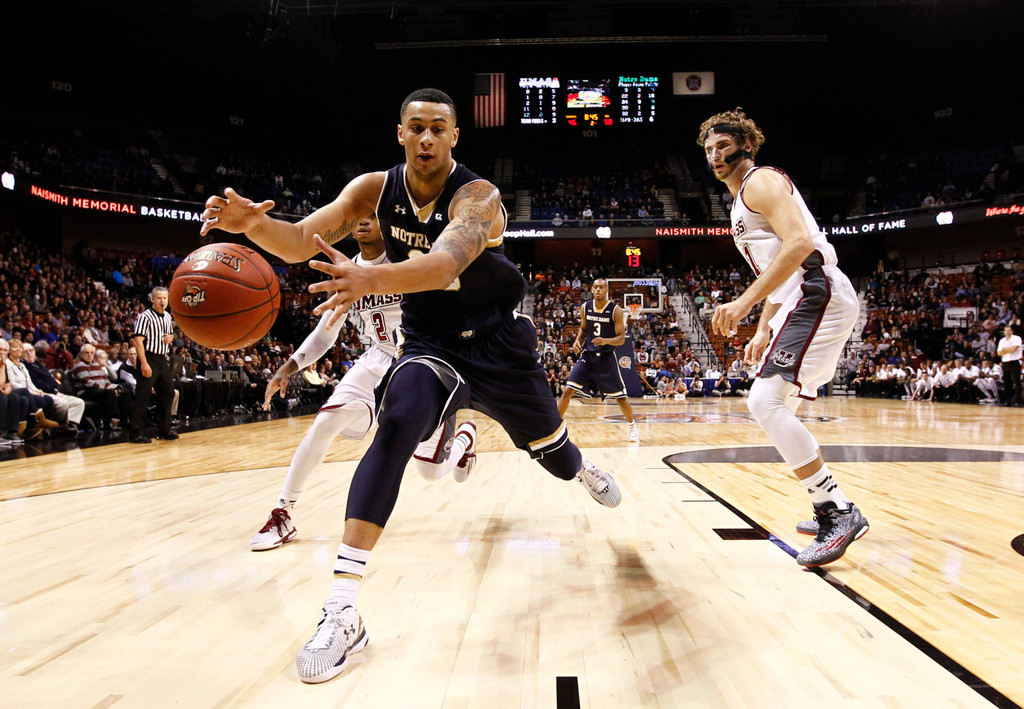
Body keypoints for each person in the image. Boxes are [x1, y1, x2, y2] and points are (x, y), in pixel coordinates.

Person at [200, 87, 620, 684]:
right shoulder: (373, 189)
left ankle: (581, 467)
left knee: (552, 453)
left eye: (438, 129)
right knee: (396, 424)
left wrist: (371, 276)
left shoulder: (479, 196)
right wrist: (253, 226)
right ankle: (342, 611)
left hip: (499, 343)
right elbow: (298, 243)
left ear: (454, 138)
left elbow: (446, 264)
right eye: (415, 128)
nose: (426, 138)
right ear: (400, 134)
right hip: (432, 344)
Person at [248, 215, 478, 552]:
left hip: (420, 362)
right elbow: (326, 332)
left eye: (372, 215)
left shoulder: (410, 258)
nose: (363, 221)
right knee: (326, 421)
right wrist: (289, 365)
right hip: (377, 359)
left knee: (431, 473)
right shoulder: (348, 268)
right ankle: (283, 512)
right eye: (358, 216)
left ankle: (464, 440)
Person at [700, 107, 867, 568]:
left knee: (764, 402)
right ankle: (829, 502)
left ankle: (837, 511)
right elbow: (776, 266)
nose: (715, 154)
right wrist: (763, 326)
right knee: (778, 405)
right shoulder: (737, 203)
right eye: (708, 148)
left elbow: (799, 247)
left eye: (723, 145)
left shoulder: (760, 181)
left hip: (818, 292)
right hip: (803, 298)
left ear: (745, 146)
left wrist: (745, 303)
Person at [557, 278, 640, 442]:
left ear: (606, 290)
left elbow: (621, 339)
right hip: (588, 357)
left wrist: (606, 341)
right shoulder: (585, 307)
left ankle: (633, 427)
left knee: (621, 397)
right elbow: (583, 328)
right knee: (568, 390)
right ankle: (555, 426)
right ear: (592, 289)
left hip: (606, 359)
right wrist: (577, 341)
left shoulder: (615, 310)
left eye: (601, 287)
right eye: (595, 287)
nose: (598, 290)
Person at [129, 286, 178, 443]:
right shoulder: (145, 316)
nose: (162, 300)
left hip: (162, 358)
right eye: (159, 298)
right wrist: (143, 362)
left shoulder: (167, 317)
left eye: (164, 298)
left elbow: (171, 334)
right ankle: (136, 433)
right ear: (152, 299)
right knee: (143, 395)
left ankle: (164, 428)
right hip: (148, 357)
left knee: (168, 392)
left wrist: (172, 337)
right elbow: (138, 341)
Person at [996, 324, 1022, 406]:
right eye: (1006, 330)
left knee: (1016, 381)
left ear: (1012, 331)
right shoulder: (1002, 340)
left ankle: (1018, 400)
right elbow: (999, 353)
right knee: (1007, 382)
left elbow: (1014, 349)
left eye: (1009, 330)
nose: (1007, 332)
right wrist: (1008, 350)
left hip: (1014, 361)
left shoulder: (1017, 338)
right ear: (1004, 332)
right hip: (1005, 362)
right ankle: (1008, 400)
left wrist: (1005, 350)